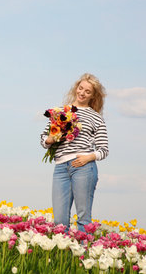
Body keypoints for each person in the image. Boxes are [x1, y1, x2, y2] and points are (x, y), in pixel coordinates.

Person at [40, 73, 108, 232]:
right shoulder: (60, 112)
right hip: (60, 168)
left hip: (83, 167)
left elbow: (104, 149)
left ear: (93, 96)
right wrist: (51, 139)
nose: (82, 93)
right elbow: (44, 138)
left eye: (88, 91)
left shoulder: (96, 117)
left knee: (83, 218)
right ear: (76, 88)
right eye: (81, 88)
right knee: (59, 220)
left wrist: (88, 157)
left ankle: (83, 256)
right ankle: (64, 256)